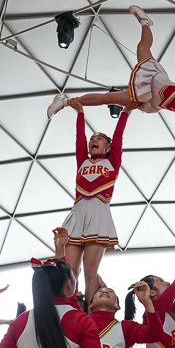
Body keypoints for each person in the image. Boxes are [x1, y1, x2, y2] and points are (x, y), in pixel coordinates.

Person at [52, 7, 175, 138]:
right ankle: (145, 23)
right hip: (157, 83)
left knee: (108, 98)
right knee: (141, 48)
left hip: (154, 102)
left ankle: (65, 101)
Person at [52, 105, 130, 301]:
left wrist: (126, 113)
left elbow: (119, 137)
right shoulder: (83, 161)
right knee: (69, 272)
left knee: (89, 272)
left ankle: (89, 313)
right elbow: (79, 139)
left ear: (108, 146)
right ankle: (67, 309)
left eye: (99, 138)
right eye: (92, 138)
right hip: (77, 215)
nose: (94, 140)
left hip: (98, 213)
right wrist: (80, 113)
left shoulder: (112, 161)